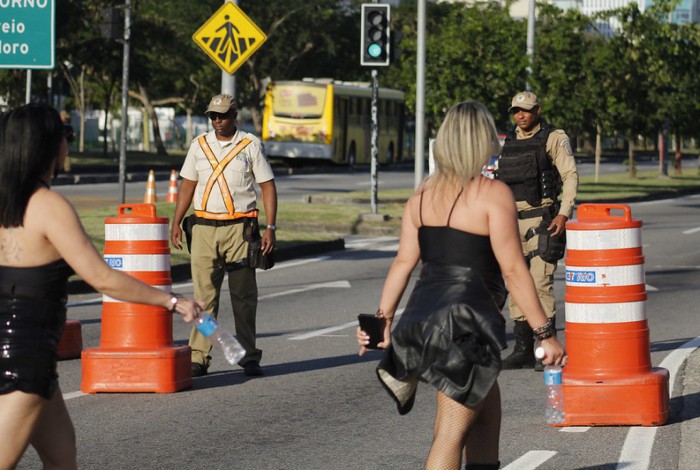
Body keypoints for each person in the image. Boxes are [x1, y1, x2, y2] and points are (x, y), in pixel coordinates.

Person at [357, 101, 566, 470]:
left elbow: (404, 262)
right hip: (464, 329)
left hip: (422, 323)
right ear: (480, 139)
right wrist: (544, 333)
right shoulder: (492, 194)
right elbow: (515, 271)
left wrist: (381, 321)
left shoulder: (420, 196)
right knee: (450, 435)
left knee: (487, 413)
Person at [0, 104, 204, 469]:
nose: (69, 145)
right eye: (66, 137)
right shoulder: (48, 206)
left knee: (63, 459)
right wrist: (171, 300)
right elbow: (103, 278)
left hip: (31, 354)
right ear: (47, 145)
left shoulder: (7, 204)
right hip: (23, 357)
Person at [171, 94, 277, 378]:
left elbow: (267, 187)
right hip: (204, 229)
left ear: (234, 116)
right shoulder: (199, 146)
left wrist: (271, 227)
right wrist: (176, 221)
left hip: (240, 230)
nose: (218, 121)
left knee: (243, 296)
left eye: (223, 116)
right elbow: (187, 186)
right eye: (213, 117)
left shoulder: (250, 145)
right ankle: (198, 356)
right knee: (204, 298)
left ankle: (248, 356)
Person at [495, 91, 578, 371]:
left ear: (538, 110)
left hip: (542, 219)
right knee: (516, 283)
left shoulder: (554, 138)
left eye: (527, 111)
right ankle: (522, 348)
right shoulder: (508, 140)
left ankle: (546, 344)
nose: (521, 115)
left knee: (540, 282)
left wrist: (564, 213)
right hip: (509, 221)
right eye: (516, 111)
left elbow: (569, 176)